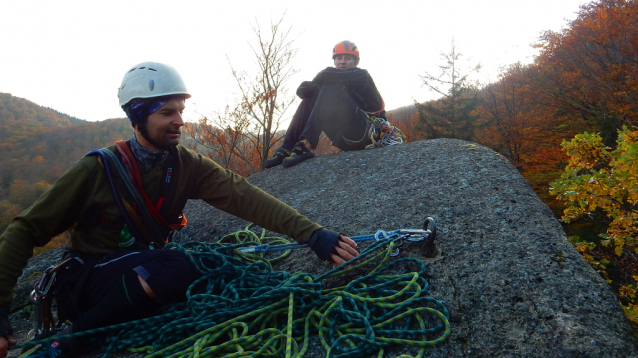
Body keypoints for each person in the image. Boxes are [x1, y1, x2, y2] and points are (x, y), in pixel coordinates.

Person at [0, 61, 359, 357]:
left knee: (211, 270)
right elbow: (25, 229)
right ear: (137, 116)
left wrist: (312, 234)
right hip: (88, 281)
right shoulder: (98, 170)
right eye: (167, 112)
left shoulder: (185, 165)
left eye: (181, 111)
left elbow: (245, 196)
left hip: (140, 269)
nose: (179, 121)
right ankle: (69, 342)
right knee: (180, 264)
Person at [265, 40, 386, 169]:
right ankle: (287, 147)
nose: (342, 61)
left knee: (328, 88)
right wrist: (319, 82)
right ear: (334, 61)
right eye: (339, 58)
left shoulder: (361, 76)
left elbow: (326, 75)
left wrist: (322, 77)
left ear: (356, 62)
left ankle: (307, 145)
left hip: (367, 135)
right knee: (312, 96)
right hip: (344, 136)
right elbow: (302, 91)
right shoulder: (332, 78)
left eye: (348, 58)